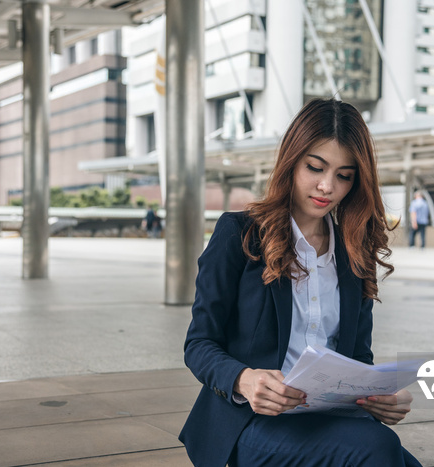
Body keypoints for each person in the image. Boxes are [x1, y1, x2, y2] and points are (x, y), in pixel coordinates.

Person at [180, 99, 421, 467]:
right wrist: (244, 379)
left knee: (391, 455)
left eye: (344, 175)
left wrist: (378, 398)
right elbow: (199, 343)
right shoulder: (239, 234)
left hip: (330, 420)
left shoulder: (354, 251)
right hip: (252, 423)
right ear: (292, 160)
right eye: (315, 167)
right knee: (380, 450)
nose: (327, 186)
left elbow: (357, 359)